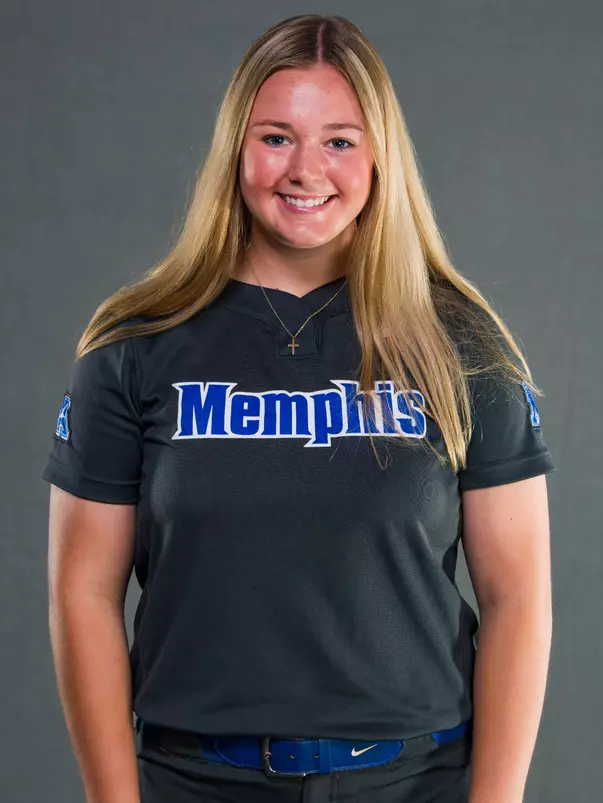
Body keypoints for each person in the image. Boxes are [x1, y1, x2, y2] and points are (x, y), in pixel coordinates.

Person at [43, 13, 556, 803]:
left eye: (340, 141)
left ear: (380, 154)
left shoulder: (461, 341)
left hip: (414, 782)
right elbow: (82, 591)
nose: (306, 169)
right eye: (276, 137)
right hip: (194, 780)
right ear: (234, 151)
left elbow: (517, 596)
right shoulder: (134, 344)